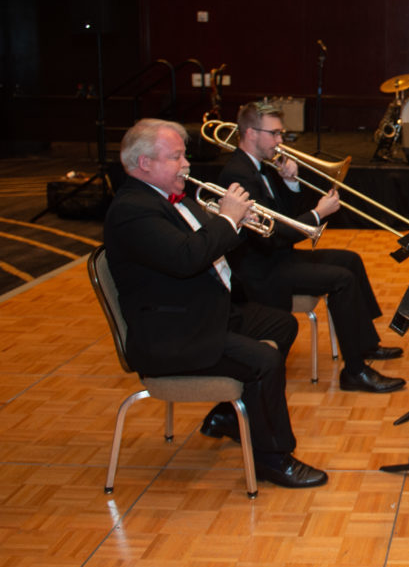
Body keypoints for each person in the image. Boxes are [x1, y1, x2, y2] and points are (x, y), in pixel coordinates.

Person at [103, 118, 327, 488]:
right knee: (264, 361)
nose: (186, 164)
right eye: (176, 157)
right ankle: (273, 459)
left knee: (282, 324)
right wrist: (227, 219)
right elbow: (187, 258)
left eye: (184, 156)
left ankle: (229, 414)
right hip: (171, 335)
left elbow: (209, 242)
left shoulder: (169, 198)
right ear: (144, 163)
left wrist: (238, 223)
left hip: (199, 311)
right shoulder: (133, 210)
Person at [218, 101, 406, 394]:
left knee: (350, 260)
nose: (280, 140)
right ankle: (355, 372)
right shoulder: (238, 174)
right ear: (251, 133)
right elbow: (272, 234)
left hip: (278, 257)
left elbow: (285, 216)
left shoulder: (261, 167)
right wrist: (318, 215)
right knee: (342, 280)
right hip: (262, 272)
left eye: (281, 133)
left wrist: (290, 183)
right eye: (274, 133)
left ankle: (364, 345)